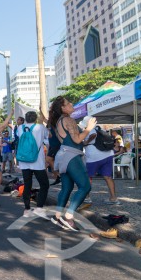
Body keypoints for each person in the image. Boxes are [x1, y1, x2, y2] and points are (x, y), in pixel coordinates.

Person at [49, 96, 95, 232]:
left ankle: (58, 216)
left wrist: (85, 139)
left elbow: (75, 141)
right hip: (72, 156)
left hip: (63, 156)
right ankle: (68, 216)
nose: (71, 104)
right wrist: (88, 128)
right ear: (63, 108)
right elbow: (76, 139)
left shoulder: (58, 122)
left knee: (66, 188)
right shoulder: (68, 119)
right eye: (68, 103)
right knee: (85, 186)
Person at [16, 111, 50, 219]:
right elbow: (49, 136)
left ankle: (27, 210)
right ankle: (39, 208)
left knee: (27, 184)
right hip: (37, 161)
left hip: (24, 160)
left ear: (25, 119)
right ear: (35, 118)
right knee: (44, 184)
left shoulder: (20, 128)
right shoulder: (40, 127)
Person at [81, 117, 120, 205]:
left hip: (94, 156)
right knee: (108, 176)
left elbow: (93, 135)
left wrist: (86, 142)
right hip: (108, 154)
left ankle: (87, 197)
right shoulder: (100, 129)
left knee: (88, 177)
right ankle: (113, 198)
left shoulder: (90, 129)